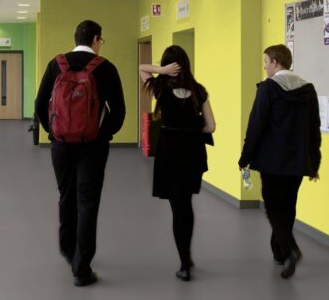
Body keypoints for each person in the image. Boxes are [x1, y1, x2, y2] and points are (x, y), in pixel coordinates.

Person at [34, 20, 125, 287]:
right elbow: (118, 111)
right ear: (96, 39)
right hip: (92, 147)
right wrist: (102, 135)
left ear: (76, 38)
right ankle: (82, 267)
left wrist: (53, 133)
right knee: (87, 202)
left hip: (61, 145)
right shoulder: (105, 68)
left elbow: (40, 104)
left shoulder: (56, 64)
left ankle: (67, 249)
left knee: (66, 195)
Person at [238, 44, 321, 279]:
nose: (264, 67)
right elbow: (314, 129)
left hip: (272, 160)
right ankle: (280, 252)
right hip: (297, 161)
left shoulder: (268, 89)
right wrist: (314, 162)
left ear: (275, 62)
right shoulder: (308, 90)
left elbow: (256, 125)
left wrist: (246, 157)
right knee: (288, 206)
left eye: (266, 62)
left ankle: (291, 249)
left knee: (274, 208)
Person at [139, 45, 215, 282]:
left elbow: (141, 69)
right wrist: (192, 129)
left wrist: (160, 70)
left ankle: (184, 262)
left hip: (170, 154)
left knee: (177, 208)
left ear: (168, 66)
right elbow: (211, 126)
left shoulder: (160, 88)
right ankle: (187, 256)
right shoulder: (199, 91)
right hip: (193, 153)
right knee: (186, 204)